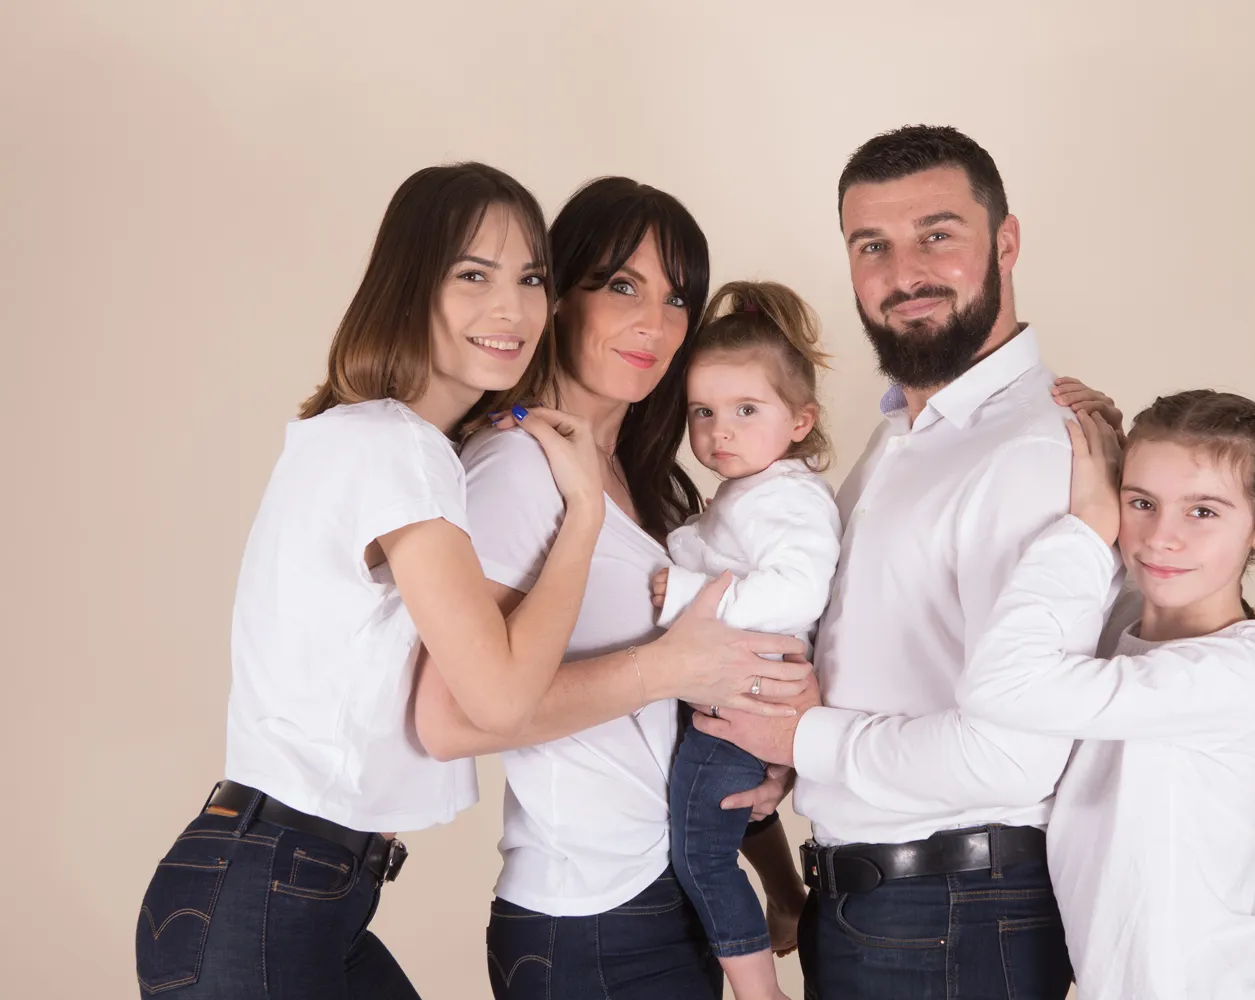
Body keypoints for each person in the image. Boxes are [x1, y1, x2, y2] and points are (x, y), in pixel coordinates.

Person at [134, 162, 606, 999]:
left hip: (288, 889)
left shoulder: (372, 440)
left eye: (531, 278)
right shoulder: (396, 449)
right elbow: (497, 699)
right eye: (473, 274)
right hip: (264, 895)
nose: (514, 308)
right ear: (408, 286)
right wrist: (585, 519)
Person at [697, 125, 1124, 999]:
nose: (904, 273)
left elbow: (1016, 759)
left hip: (952, 912)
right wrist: (790, 757)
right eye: (872, 246)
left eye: (937, 234)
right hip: (883, 906)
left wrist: (805, 738)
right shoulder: (906, 437)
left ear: (1005, 243)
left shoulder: (1038, 449)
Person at [411, 179, 812, 1000]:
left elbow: (683, 703)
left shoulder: (661, 488)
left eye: (677, 300)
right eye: (621, 285)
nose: (655, 325)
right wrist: (674, 670)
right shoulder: (514, 472)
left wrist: (766, 776)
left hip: (665, 894)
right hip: (586, 917)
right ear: (558, 296)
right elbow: (448, 719)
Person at [987, 395, 1255, 998]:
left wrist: (1086, 523)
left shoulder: (1230, 672)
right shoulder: (1127, 638)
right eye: (1141, 503)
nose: (1162, 538)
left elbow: (1004, 683)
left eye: (1204, 512)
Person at [650, 281, 841, 1000]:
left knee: (700, 853)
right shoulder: (750, 491)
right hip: (735, 691)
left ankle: (763, 992)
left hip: (748, 700)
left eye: (744, 411)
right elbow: (711, 546)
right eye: (702, 412)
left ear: (800, 421)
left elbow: (796, 591)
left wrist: (686, 597)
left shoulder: (788, 498)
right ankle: (784, 902)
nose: (717, 431)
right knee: (713, 836)